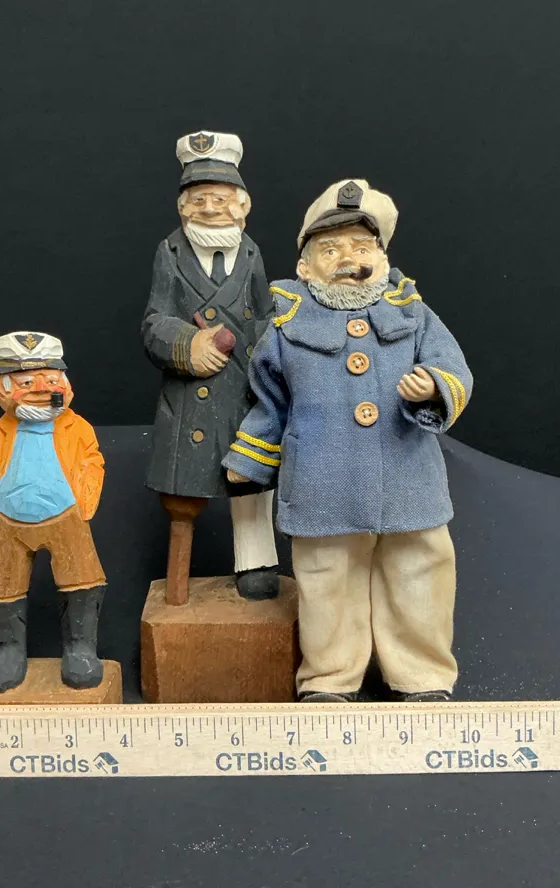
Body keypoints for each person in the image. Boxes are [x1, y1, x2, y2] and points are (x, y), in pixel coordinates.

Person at [223, 179, 473, 702]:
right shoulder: (286, 326)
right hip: (322, 481)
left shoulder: (413, 314)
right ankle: (330, 677)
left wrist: (433, 387)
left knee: (420, 570)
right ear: (305, 265)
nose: (348, 259)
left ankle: (423, 674)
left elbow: (454, 369)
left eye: (361, 247)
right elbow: (268, 401)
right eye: (330, 249)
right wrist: (250, 459)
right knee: (326, 578)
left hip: (408, 475)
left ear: (382, 258)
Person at [142, 130, 279, 601]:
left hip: (244, 389)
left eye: (220, 199)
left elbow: (264, 314)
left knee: (251, 479)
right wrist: (187, 344)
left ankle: (256, 563)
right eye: (199, 199)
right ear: (183, 206)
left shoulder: (252, 252)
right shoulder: (169, 253)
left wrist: (270, 354)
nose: (210, 209)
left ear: (242, 205)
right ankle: (178, 572)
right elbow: (153, 321)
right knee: (185, 487)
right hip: (191, 393)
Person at [0, 332, 106, 692]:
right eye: (26, 383)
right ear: (4, 388)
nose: (42, 390)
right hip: (9, 522)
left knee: (81, 578)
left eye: (50, 379)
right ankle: (9, 651)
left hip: (66, 516)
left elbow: (92, 461)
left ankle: (80, 649)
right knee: (2, 585)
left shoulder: (77, 428)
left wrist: (85, 500)